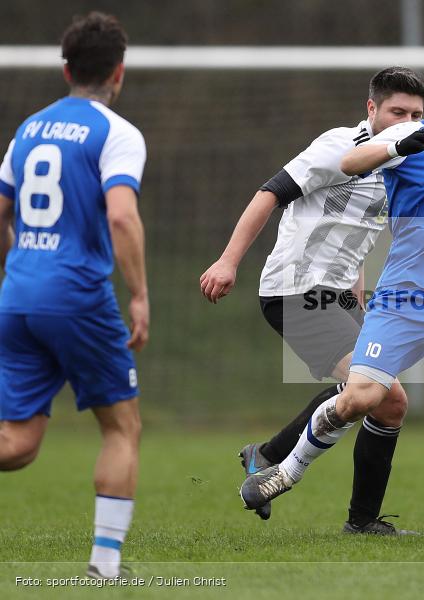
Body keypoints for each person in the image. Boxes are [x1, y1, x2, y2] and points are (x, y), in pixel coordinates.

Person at [201, 65, 424, 533]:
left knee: (384, 401)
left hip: (340, 293)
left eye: (414, 114)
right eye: (397, 112)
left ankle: (341, 507)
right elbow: (270, 193)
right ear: (371, 109)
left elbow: (375, 226)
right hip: (296, 290)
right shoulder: (345, 145)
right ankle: (278, 463)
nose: (407, 121)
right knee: (381, 394)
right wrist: (227, 261)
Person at [0, 12, 148, 580]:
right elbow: (122, 216)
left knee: (17, 444)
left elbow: (1, 211)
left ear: (66, 70)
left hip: (18, 296)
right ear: (119, 71)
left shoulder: (28, 129)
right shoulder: (116, 133)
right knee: (121, 427)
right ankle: (105, 566)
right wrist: (138, 295)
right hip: (79, 298)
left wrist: (16, 268)